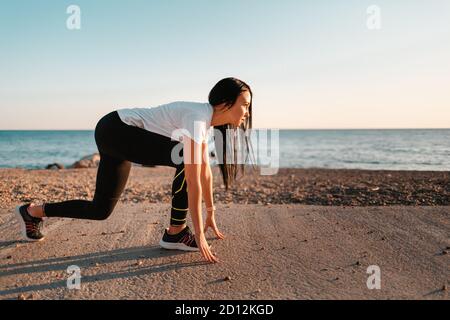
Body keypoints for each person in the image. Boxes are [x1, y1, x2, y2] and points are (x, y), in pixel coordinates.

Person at [14, 77, 254, 263]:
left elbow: (205, 172)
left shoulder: (203, 121)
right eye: (244, 105)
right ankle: (175, 233)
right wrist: (199, 233)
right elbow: (193, 179)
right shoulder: (197, 118)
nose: (247, 113)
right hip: (118, 130)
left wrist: (210, 212)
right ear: (224, 103)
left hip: (114, 132)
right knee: (184, 158)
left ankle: (33, 212)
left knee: (100, 210)